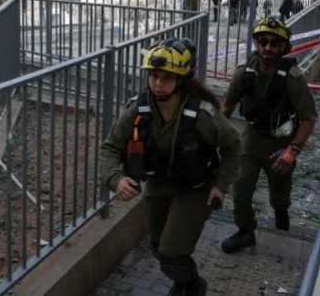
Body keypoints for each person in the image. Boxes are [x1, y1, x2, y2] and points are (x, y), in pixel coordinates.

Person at [100, 38, 241, 296]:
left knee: (171, 250)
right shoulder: (139, 108)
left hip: (196, 188)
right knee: (157, 245)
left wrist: (220, 186)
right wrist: (116, 179)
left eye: (167, 77)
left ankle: (193, 285)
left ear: (182, 79)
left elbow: (234, 146)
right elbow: (110, 147)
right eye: (154, 76)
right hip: (159, 184)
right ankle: (185, 282)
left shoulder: (203, 114)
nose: (158, 83)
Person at [220, 17, 317, 253]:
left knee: (280, 192)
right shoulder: (244, 73)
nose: (268, 48)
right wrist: (215, 139)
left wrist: (292, 151)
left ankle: (281, 214)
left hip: (281, 143)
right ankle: (245, 231)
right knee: (240, 190)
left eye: (275, 43)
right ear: (256, 43)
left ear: (283, 47)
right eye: (263, 42)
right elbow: (227, 107)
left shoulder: (293, 78)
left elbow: (308, 118)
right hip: (252, 139)